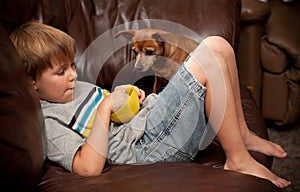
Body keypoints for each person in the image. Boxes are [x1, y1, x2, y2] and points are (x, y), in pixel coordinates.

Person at [10, 21, 291, 188]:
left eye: (72, 66)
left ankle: (240, 134)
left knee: (219, 45)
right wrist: (105, 109)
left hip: (152, 121)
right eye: (61, 72)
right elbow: (88, 168)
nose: (73, 75)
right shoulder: (48, 120)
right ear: (31, 81)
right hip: (149, 147)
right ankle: (238, 160)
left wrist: (126, 96)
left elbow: (114, 110)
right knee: (210, 60)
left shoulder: (73, 89)